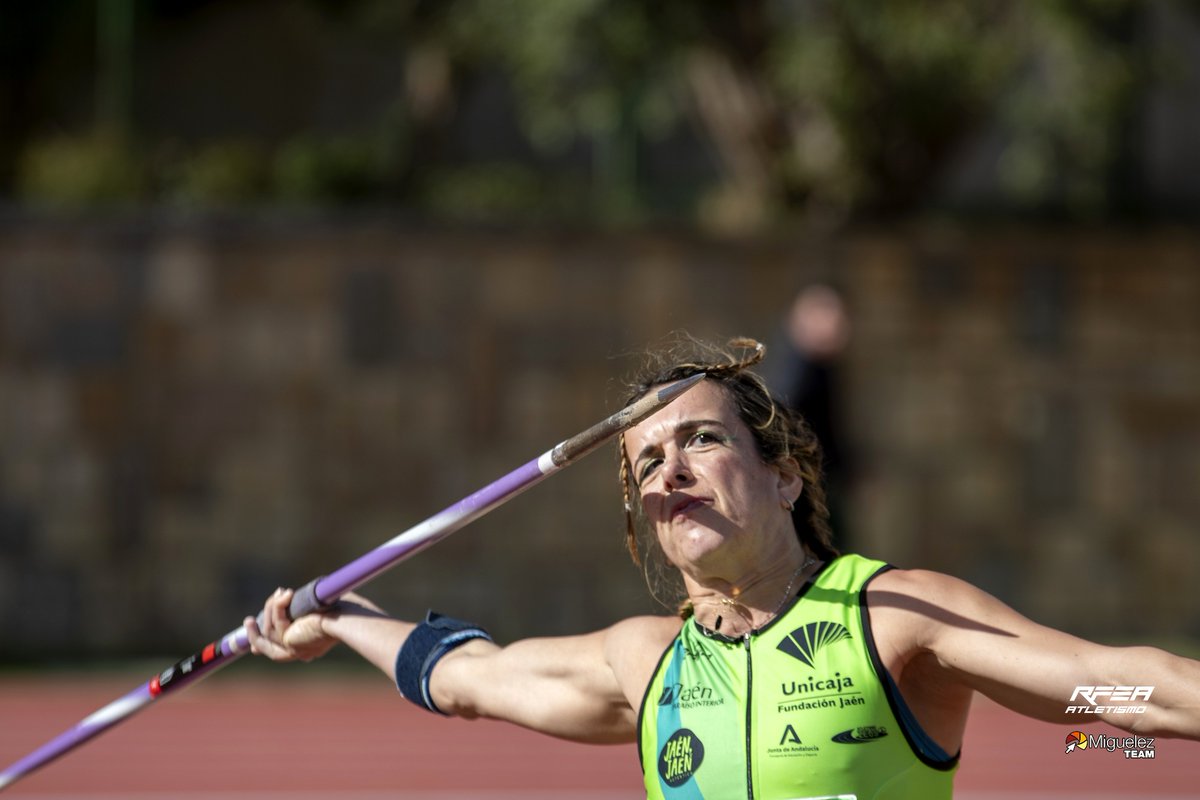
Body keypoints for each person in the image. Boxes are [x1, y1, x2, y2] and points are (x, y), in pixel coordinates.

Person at [245, 336, 1200, 799]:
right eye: (649, 464)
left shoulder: (892, 617)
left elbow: (1115, 694)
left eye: (701, 441)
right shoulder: (646, 663)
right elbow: (464, 677)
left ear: (784, 478)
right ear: (647, 520)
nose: (674, 473)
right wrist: (338, 618)